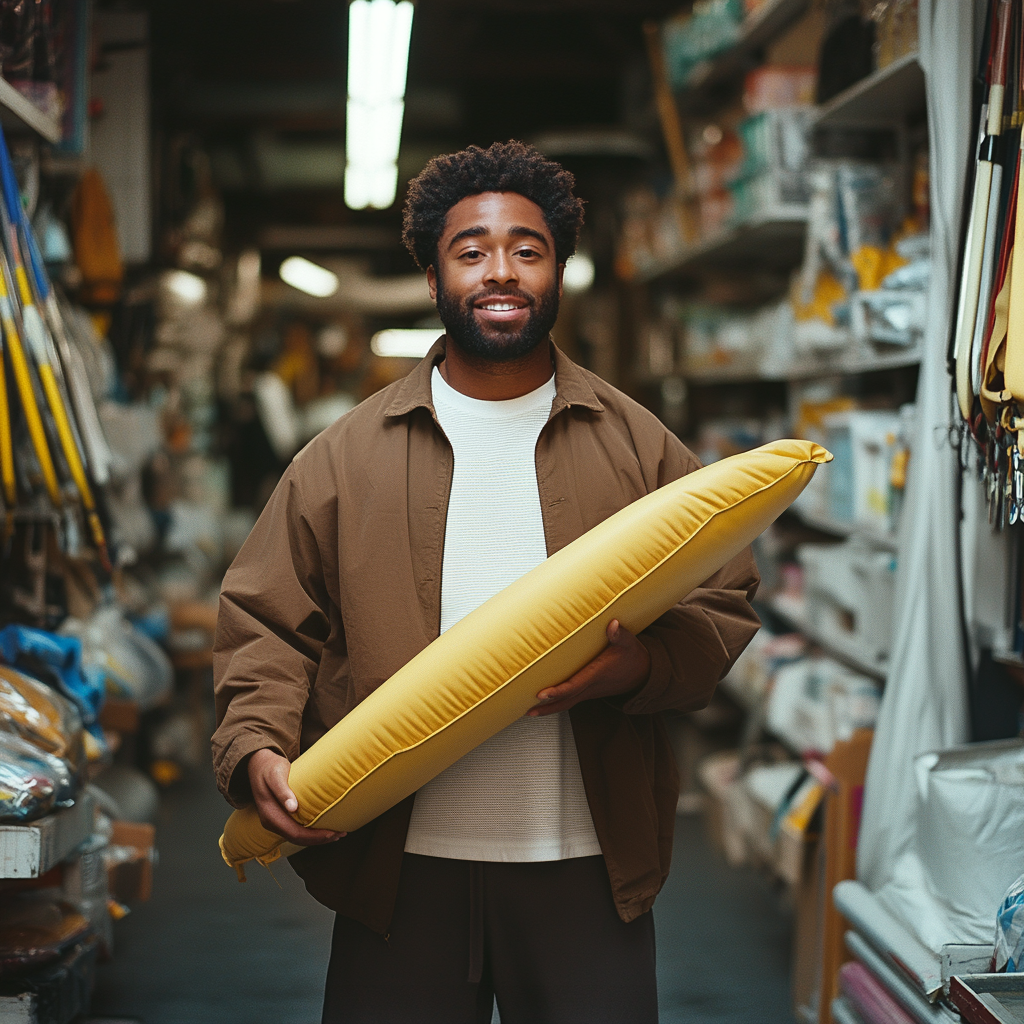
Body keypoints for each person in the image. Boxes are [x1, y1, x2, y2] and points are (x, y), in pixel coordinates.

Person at [212, 140, 761, 1024]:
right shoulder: (343, 459)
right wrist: (257, 745)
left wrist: (641, 670)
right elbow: (267, 621)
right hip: (396, 873)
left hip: (586, 870)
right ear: (434, 277)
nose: (500, 271)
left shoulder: (638, 445)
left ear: (557, 272)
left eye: (527, 250)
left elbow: (724, 597)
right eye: (471, 251)